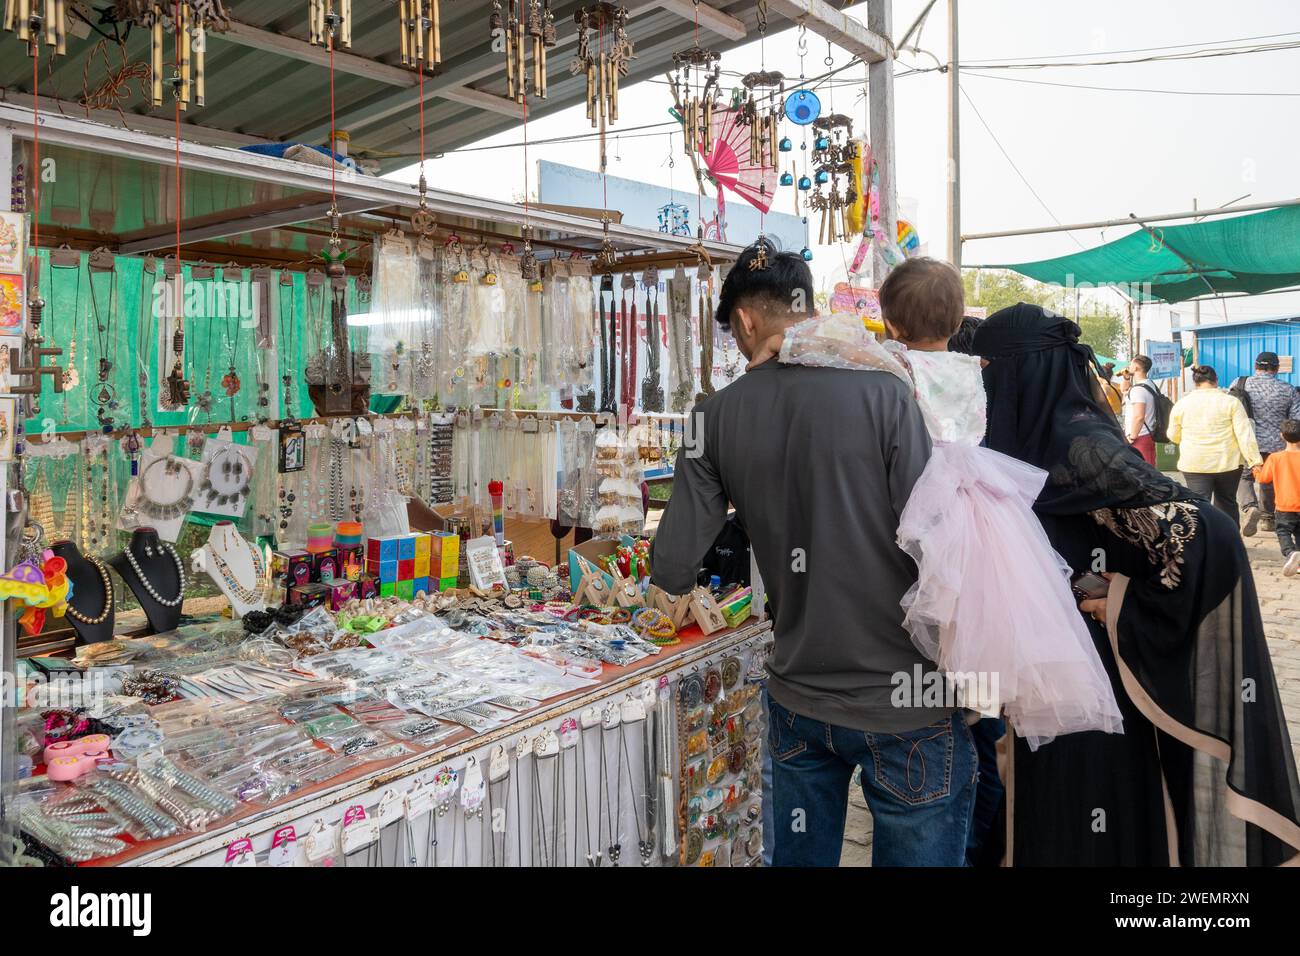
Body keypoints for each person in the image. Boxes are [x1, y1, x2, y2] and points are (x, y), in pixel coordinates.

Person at [649, 239, 976, 867]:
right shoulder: (886, 391)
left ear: (744, 321)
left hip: (799, 699)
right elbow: (940, 538)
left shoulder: (712, 418)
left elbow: (670, 566)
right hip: (907, 697)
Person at [973, 304, 1300, 865]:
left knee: (1089, 809)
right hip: (1047, 669)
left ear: (1022, 370)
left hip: (1100, 673)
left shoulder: (1080, 443)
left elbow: (1209, 532)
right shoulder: (1029, 437)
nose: (985, 379)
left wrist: (1123, 599)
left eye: (990, 366)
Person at [777, 258, 1122, 750]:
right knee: (982, 595)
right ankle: (981, 694)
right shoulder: (973, 367)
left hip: (930, 480)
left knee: (938, 583)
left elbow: (827, 347)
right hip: (981, 490)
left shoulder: (897, 366)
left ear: (891, 324)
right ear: (960, 324)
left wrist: (783, 340)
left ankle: (958, 694)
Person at [1168, 364, 1261, 527]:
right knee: (1227, 503)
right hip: (1228, 463)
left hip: (1194, 463)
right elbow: (1244, 434)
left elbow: (1173, 435)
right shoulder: (1231, 402)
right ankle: (1229, 544)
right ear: (1216, 381)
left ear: (1195, 382)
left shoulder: (1182, 404)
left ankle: (1200, 544)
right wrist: (1254, 461)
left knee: (1198, 506)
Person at [1237, 351, 1300, 536]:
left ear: (1256, 366)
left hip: (1248, 440)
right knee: (1270, 480)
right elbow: (1296, 418)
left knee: (1245, 476)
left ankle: (1249, 507)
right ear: (1277, 368)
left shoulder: (1241, 383)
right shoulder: (1288, 389)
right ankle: (1267, 518)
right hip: (1277, 443)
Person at [1253, 418, 1300, 577]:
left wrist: (1256, 469)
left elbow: (1263, 479)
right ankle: (1298, 562)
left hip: (1284, 506)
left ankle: (1290, 553)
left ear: (1282, 436)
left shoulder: (1275, 458)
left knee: (1283, 531)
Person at [1122, 355, 1159, 466]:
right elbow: (1124, 390)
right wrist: (1126, 378)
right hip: (1148, 434)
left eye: (1131, 364)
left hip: (1139, 437)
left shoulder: (1138, 390)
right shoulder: (1149, 384)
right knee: (1149, 470)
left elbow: (1139, 416)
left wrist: (1131, 437)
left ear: (1137, 367)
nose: (1128, 366)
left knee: (1144, 474)